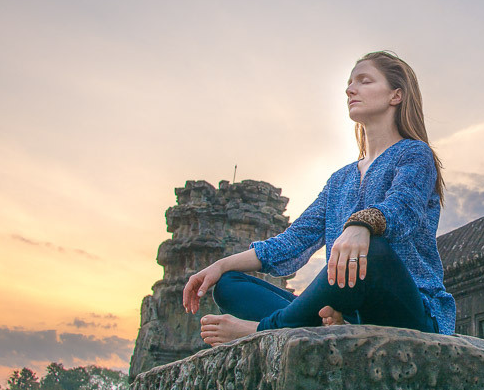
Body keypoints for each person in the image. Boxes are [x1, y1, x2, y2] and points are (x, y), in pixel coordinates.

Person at [182, 51, 456, 345]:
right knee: (228, 285)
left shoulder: (415, 154)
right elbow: (292, 243)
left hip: (407, 309)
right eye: (349, 84)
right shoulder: (340, 179)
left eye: (364, 81)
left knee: (370, 252)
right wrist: (219, 265)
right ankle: (323, 325)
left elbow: (404, 209)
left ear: (395, 95)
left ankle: (263, 329)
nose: (351, 90)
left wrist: (361, 225)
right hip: (347, 311)